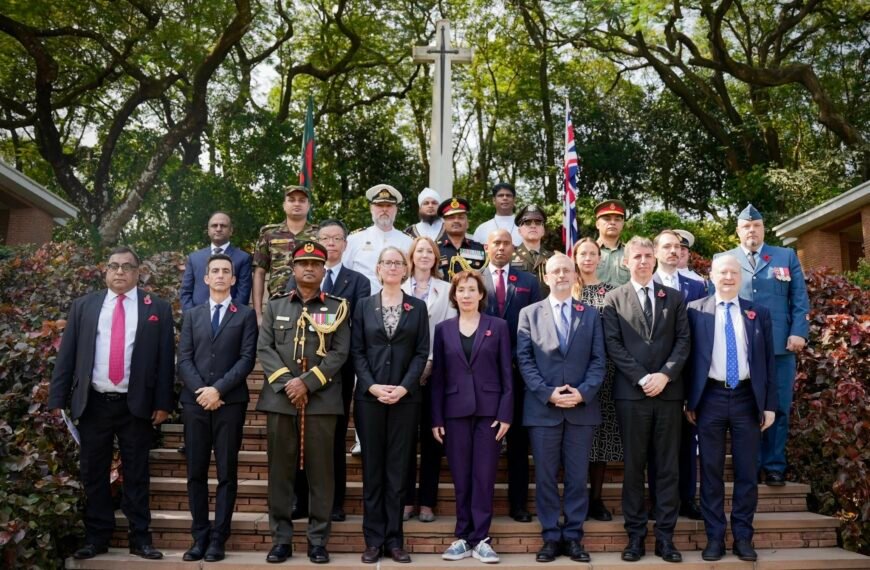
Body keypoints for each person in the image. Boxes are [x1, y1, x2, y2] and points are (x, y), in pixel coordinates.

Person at [49, 246, 174, 561]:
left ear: (137, 271)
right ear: (104, 271)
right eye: (114, 266)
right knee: (93, 473)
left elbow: (164, 361)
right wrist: (57, 399)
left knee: (137, 473)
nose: (120, 272)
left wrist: (163, 402)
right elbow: (67, 356)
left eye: (127, 267)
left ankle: (140, 539)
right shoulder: (84, 307)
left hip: (137, 405)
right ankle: (96, 538)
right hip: (93, 403)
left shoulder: (155, 307)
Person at [256, 241, 351, 564]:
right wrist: (288, 383)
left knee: (321, 473)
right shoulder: (275, 305)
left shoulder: (337, 306)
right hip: (281, 400)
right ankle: (281, 539)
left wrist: (307, 383)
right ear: (293, 269)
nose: (309, 268)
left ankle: (317, 540)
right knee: (279, 472)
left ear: (324, 270)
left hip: (322, 401)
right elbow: (265, 348)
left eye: (315, 263)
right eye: (303, 263)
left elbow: (340, 352)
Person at [602, 236, 691, 563]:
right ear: (626, 262)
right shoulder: (614, 299)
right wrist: (641, 377)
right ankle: (636, 537)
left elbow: (683, 342)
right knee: (634, 468)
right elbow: (613, 345)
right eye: (636, 256)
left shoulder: (676, 298)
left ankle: (666, 539)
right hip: (631, 395)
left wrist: (665, 375)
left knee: (667, 468)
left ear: (654, 260)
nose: (642, 261)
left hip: (668, 394)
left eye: (647, 256)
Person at [685, 255, 778, 562]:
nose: (728, 277)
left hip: (746, 399)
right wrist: (689, 400)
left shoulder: (757, 312)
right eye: (722, 272)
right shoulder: (695, 311)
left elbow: (768, 363)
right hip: (709, 398)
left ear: (741, 277)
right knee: (710, 471)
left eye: (733, 272)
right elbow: (688, 362)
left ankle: (742, 537)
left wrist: (769, 406)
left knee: (746, 471)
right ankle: (715, 538)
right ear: (711, 276)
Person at [517, 253, 606, 563]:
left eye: (566, 270)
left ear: (575, 275)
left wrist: (582, 394)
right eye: (555, 271)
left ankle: (574, 537)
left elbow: (599, 360)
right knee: (544, 477)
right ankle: (551, 537)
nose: (561, 276)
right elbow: (524, 360)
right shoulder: (529, 313)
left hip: (581, 409)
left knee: (577, 477)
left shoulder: (591, 314)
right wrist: (548, 393)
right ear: (545, 276)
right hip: (544, 410)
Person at [285, 220, 371, 523]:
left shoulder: (358, 282)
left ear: (346, 244)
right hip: (302, 370)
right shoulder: (297, 278)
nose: (331, 243)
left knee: (333, 435)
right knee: (300, 434)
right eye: (325, 238)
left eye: (337, 238)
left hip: (339, 369)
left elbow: (357, 327)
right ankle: (301, 499)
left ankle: (334, 502)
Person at [717, 204, 809, 487]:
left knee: (779, 407)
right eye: (746, 226)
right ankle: (749, 466)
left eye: (756, 226)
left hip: (781, 347)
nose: (751, 231)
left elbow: (799, 298)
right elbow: (715, 302)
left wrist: (799, 332)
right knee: (747, 408)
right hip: (742, 348)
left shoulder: (785, 256)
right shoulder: (724, 258)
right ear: (738, 231)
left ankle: (774, 466)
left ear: (763, 229)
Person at [177, 253, 258, 562]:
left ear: (234, 279)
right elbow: (184, 358)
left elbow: (246, 359)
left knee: (227, 473)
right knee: (195, 473)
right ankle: (199, 536)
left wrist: (218, 390)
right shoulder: (193, 315)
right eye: (215, 271)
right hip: (195, 403)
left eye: (227, 271)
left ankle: (218, 538)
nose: (221, 275)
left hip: (229, 403)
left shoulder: (245, 315)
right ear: (206, 278)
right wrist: (202, 391)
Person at [352, 246, 429, 564]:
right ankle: (373, 540)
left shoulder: (418, 307)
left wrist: (402, 387)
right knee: (373, 471)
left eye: (398, 263)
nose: (393, 267)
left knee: (398, 472)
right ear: (379, 269)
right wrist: (371, 385)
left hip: (405, 400)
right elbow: (357, 351)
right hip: (369, 400)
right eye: (387, 263)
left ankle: (395, 540)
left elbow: (421, 352)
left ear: (405, 268)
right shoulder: (363, 306)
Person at [431, 271, 513, 564]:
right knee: (461, 476)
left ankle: (482, 539)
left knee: (484, 475)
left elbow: (507, 374)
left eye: (471, 289)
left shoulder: (499, 327)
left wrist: (505, 414)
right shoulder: (443, 330)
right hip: (454, 413)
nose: (466, 294)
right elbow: (438, 377)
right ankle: (463, 536)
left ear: (481, 295)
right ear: (454, 296)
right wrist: (436, 418)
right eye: (461, 290)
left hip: (489, 414)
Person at [481, 229, 541, 522]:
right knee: (484, 443)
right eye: (496, 243)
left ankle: (519, 504)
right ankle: (483, 506)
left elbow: (539, 326)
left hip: (519, 373)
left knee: (518, 442)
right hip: (481, 377)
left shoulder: (529, 282)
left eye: (506, 243)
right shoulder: (472, 281)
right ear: (486, 247)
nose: (501, 248)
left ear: (513, 247)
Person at [648, 229, 707, 521]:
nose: (673, 251)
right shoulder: (645, 284)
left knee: (687, 441)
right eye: (667, 246)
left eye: (678, 247)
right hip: (655, 378)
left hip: (689, 376)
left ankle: (687, 498)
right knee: (655, 444)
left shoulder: (696, 287)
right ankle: (656, 500)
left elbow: (703, 334)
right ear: (656, 251)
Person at [401, 236, 456, 523]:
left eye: (430, 252)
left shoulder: (447, 291)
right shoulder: (397, 288)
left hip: (438, 372)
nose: (424, 255)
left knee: (434, 439)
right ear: (411, 256)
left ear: (436, 258)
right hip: (402, 374)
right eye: (419, 250)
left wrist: (431, 361)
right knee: (406, 439)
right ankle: (407, 499)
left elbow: (449, 330)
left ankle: (427, 502)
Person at [571, 237, 622, 522]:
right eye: (583, 253)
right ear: (575, 257)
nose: (588, 258)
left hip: (603, 374)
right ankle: (573, 498)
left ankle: (596, 499)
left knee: (599, 439)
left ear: (600, 258)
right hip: (569, 376)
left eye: (593, 253)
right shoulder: (567, 289)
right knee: (571, 438)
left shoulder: (612, 292)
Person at [253, 185, 319, 323]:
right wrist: (258, 314)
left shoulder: (319, 233)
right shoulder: (269, 233)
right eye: (291, 200)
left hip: (312, 303)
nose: (296, 203)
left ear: (309, 206)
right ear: (284, 205)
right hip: (277, 304)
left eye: (302, 200)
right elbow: (259, 272)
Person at [344, 184, 414, 294]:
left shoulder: (408, 242)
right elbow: (345, 273)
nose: (384, 209)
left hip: (399, 304)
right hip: (362, 304)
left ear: (396, 210)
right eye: (380, 205)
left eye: (389, 206)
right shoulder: (354, 239)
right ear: (371, 208)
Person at [180, 212, 252, 312]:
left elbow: (243, 293)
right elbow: (185, 292)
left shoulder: (243, 258)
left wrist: (232, 318)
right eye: (214, 226)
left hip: (230, 321)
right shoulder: (194, 258)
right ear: (208, 231)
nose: (218, 229)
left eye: (223, 226)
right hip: (197, 320)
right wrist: (193, 318)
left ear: (231, 231)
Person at [437, 197, 487, 280]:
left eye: (461, 217)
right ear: (444, 224)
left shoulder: (479, 249)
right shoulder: (435, 249)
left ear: (467, 223)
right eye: (451, 218)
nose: (456, 221)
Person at [511, 204, 553, 296]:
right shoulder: (509, 258)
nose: (533, 226)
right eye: (527, 222)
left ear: (543, 230)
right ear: (519, 231)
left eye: (538, 222)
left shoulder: (553, 258)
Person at [594, 199, 630, 287]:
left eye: (617, 219)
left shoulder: (630, 252)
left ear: (622, 224)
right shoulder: (586, 251)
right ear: (597, 224)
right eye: (607, 219)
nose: (612, 222)